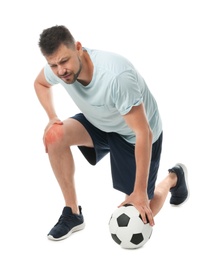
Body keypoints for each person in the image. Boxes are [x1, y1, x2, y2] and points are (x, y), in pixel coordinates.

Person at [34, 25, 189, 241]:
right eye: (53, 65)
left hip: (134, 136)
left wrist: (140, 192)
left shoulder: (116, 77)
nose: (60, 71)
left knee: (141, 212)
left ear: (78, 47)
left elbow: (143, 132)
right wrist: (52, 117)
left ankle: (173, 178)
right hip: (100, 122)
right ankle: (72, 214)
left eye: (64, 61)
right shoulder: (56, 69)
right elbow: (40, 83)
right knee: (54, 136)